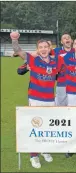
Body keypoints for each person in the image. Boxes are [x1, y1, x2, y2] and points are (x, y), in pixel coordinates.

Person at [11, 31, 57, 169]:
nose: (43, 49)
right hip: (36, 98)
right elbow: (18, 51)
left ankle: (44, 149)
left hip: (50, 99)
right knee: (35, 126)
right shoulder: (32, 59)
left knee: (47, 126)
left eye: (46, 47)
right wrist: (14, 40)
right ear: (38, 49)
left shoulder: (56, 61)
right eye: (41, 47)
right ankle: (34, 155)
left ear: (50, 49)